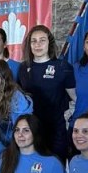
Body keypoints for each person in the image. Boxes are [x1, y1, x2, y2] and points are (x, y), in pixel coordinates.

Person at [17, 25, 76, 158]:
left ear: (49, 43)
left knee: (56, 168)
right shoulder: (23, 68)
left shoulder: (62, 67)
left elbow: (75, 98)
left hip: (56, 130)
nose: (38, 44)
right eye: (34, 41)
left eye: (42, 40)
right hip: (31, 130)